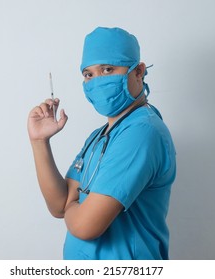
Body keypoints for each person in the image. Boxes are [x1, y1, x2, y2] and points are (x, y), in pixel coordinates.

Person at [27, 27, 176, 260]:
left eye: (108, 69)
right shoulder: (100, 136)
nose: (97, 81)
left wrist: (73, 205)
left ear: (138, 72)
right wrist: (39, 141)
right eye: (89, 74)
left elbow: (86, 226)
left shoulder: (141, 133)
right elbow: (59, 205)